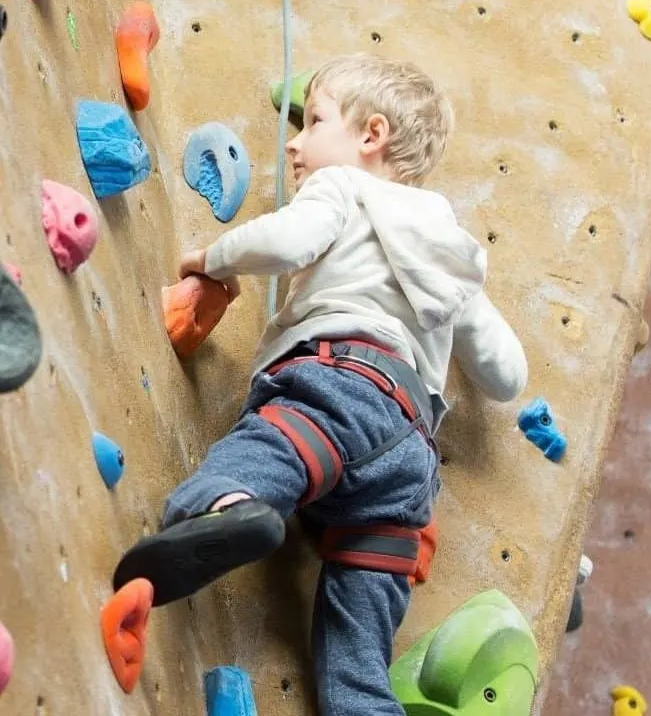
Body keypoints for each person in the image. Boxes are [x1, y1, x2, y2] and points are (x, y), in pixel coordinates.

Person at [112, 53, 528, 715]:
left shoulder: (342, 189)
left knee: (270, 452)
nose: (294, 141)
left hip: (341, 388)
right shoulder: (451, 249)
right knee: (359, 644)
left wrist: (208, 257)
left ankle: (223, 510)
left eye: (313, 121)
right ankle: (364, 703)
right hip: (409, 455)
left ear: (371, 136)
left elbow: (285, 244)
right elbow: (505, 374)